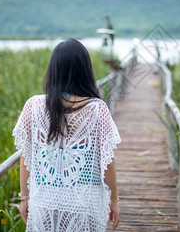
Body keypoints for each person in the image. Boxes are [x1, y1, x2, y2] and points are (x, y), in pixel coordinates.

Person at [13, 38, 121, 231]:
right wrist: (114, 199)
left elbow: (25, 156)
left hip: (45, 199)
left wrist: (24, 198)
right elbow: (108, 161)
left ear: (53, 70)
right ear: (85, 70)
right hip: (85, 202)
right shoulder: (97, 109)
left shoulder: (34, 106)